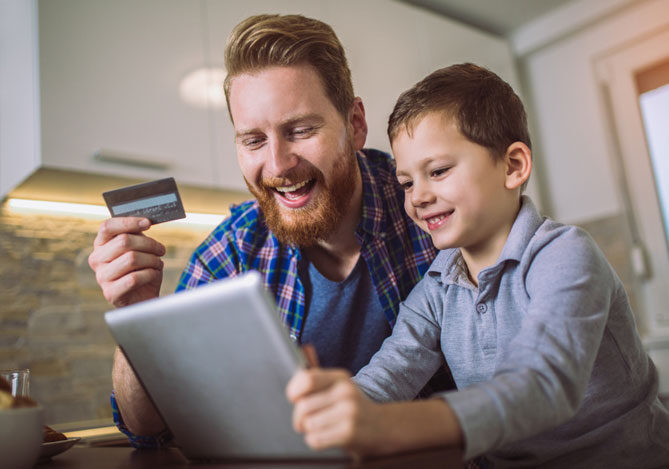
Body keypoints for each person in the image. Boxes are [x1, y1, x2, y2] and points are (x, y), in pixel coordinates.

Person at [88, 14, 452, 447]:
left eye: (300, 130)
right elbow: (149, 429)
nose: (278, 165)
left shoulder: (430, 207)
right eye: (253, 140)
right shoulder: (234, 248)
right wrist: (136, 313)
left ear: (355, 124)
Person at [286, 63, 669, 468]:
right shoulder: (435, 289)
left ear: (513, 166)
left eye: (438, 171)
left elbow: (545, 384)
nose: (418, 197)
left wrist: (388, 426)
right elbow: (390, 373)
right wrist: (330, 419)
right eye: (407, 183)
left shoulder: (564, 255)